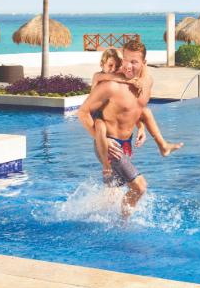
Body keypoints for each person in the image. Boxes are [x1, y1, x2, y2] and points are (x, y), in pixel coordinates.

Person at [78, 39, 182, 215]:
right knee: (139, 187)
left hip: (126, 144)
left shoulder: (147, 83)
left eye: (134, 62)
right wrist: (100, 138)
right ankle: (123, 226)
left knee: (112, 194)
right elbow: (83, 113)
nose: (127, 66)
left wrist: (141, 127)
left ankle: (84, 214)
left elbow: (135, 109)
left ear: (144, 63)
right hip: (109, 145)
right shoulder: (110, 86)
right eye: (125, 60)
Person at [90, 48, 145, 170]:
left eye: (116, 66)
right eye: (110, 65)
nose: (113, 69)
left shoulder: (121, 84)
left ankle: (102, 188)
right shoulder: (98, 77)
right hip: (100, 119)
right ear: (101, 64)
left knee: (119, 180)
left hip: (123, 136)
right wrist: (130, 80)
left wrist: (141, 127)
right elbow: (110, 77)